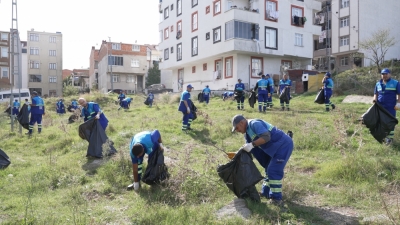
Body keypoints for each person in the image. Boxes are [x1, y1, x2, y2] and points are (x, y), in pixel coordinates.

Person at [231, 115, 293, 205]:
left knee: (273, 170)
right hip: (275, 148)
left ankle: (276, 199)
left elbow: (266, 137)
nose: (237, 130)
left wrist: (252, 144)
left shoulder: (254, 124)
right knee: (268, 169)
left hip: (283, 146)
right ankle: (265, 192)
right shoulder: (247, 133)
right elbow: (248, 147)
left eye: (237, 128)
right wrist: (237, 154)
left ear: (242, 122)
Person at [373, 68, 400, 145]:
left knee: (390, 122)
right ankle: (382, 137)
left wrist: (398, 104)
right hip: (380, 107)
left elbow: (399, 94)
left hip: (391, 107)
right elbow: (376, 94)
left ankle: (390, 139)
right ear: (381, 75)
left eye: (386, 74)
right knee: (380, 121)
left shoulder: (395, 83)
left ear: (389, 74)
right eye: (383, 74)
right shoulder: (378, 84)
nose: (384, 75)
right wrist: (374, 100)